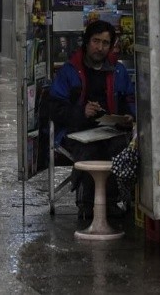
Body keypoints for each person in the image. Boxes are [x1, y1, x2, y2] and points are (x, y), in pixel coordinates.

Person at [48, 20, 135, 219]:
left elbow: (130, 99)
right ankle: (86, 203)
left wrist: (129, 115)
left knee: (121, 148)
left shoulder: (118, 71)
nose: (100, 47)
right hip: (76, 132)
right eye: (96, 41)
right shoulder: (70, 71)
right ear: (87, 42)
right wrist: (81, 112)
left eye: (105, 43)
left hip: (111, 131)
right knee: (91, 151)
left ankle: (110, 202)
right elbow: (54, 108)